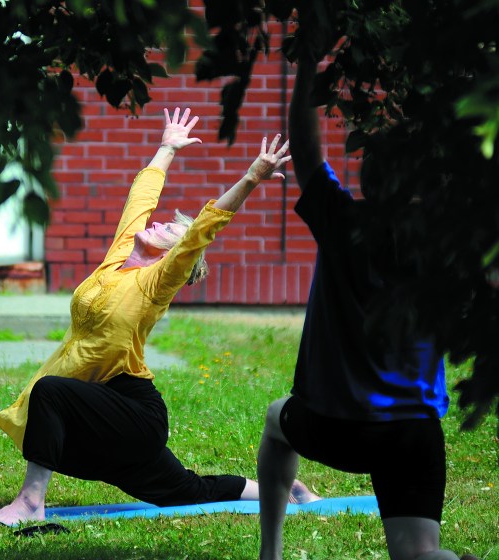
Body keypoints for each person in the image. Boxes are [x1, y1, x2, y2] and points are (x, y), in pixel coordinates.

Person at [0, 107, 319, 526]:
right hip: (105, 409)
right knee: (187, 491)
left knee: (51, 392)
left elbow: (201, 233)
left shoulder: (155, 284)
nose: (159, 224)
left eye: (169, 232)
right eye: (164, 224)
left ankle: (30, 502)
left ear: (174, 255)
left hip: (134, 412)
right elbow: (141, 199)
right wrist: (167, 148)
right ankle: (289, 489)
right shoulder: (118, 259)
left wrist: (250, 179)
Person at [255, 18, 478, 560]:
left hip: (339, 426)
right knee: (420, 555)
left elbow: (306, 154)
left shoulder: (344, 223)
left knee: (274, 420)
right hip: (414, 432)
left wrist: (311, 60)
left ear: (368, 181)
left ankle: (270, 554)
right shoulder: (450, 241)